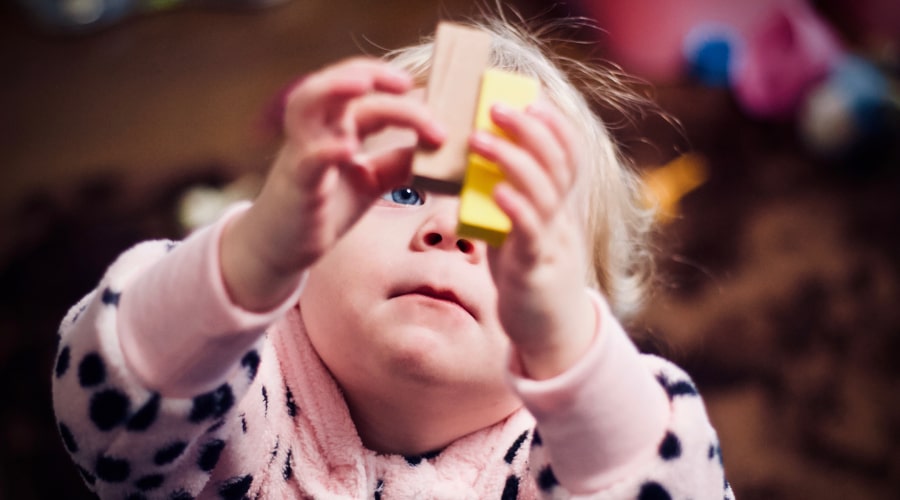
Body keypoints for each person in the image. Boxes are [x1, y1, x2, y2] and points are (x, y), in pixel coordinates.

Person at [51, 13, 734, 499]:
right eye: (405, 190)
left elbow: (666, 483)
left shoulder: (565, 465)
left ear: (590, 320)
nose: (450, 229)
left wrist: (573, 358)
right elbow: (112, 404)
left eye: (508, 224)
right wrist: (253, 254)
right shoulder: (236, 399)